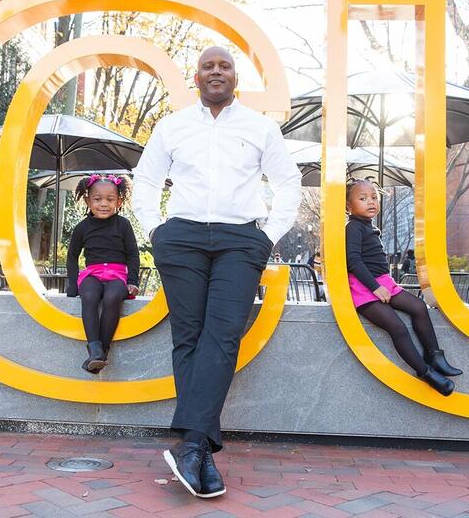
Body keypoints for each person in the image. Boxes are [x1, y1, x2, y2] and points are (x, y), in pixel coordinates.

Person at [132, 46, 301, 498]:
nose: (216, 71)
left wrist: (269, 235)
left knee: (223, 335)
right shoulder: (173, 126)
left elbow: (288, 183)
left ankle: (191, 443)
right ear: (197, 76)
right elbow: (145, 179)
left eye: (224, 65)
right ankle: (197, 449)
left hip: (241, 238)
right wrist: (156, 230)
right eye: (208, 66)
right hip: (181, 236)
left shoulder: (260, 127)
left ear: (235, 75)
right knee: (187, 336)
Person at [345, 179, 461, 396]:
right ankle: (425, 372)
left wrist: (383, 285)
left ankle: (434, 356)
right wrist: (374, 288)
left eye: (373, 197)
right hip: (364, 287)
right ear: (349, 207)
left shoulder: (369, 227)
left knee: (418, 307)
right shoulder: (353, 227)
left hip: (383, 282)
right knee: (397, 327)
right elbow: (353, 261)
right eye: (362, 199)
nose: (370, 202)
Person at [66, 174, 140, 374]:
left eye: (110, 199)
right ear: (88, 201)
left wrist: (133, 281)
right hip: (93, 273)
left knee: (112, 297)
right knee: (89, 296)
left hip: (117, 275)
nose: (104, 204)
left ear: (119, 201)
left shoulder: (123, 225)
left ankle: (102, 352)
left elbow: (133, 253)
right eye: (98, 199)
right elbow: (72, 256)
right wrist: (73, 285)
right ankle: (94, 349)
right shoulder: (82, 227)